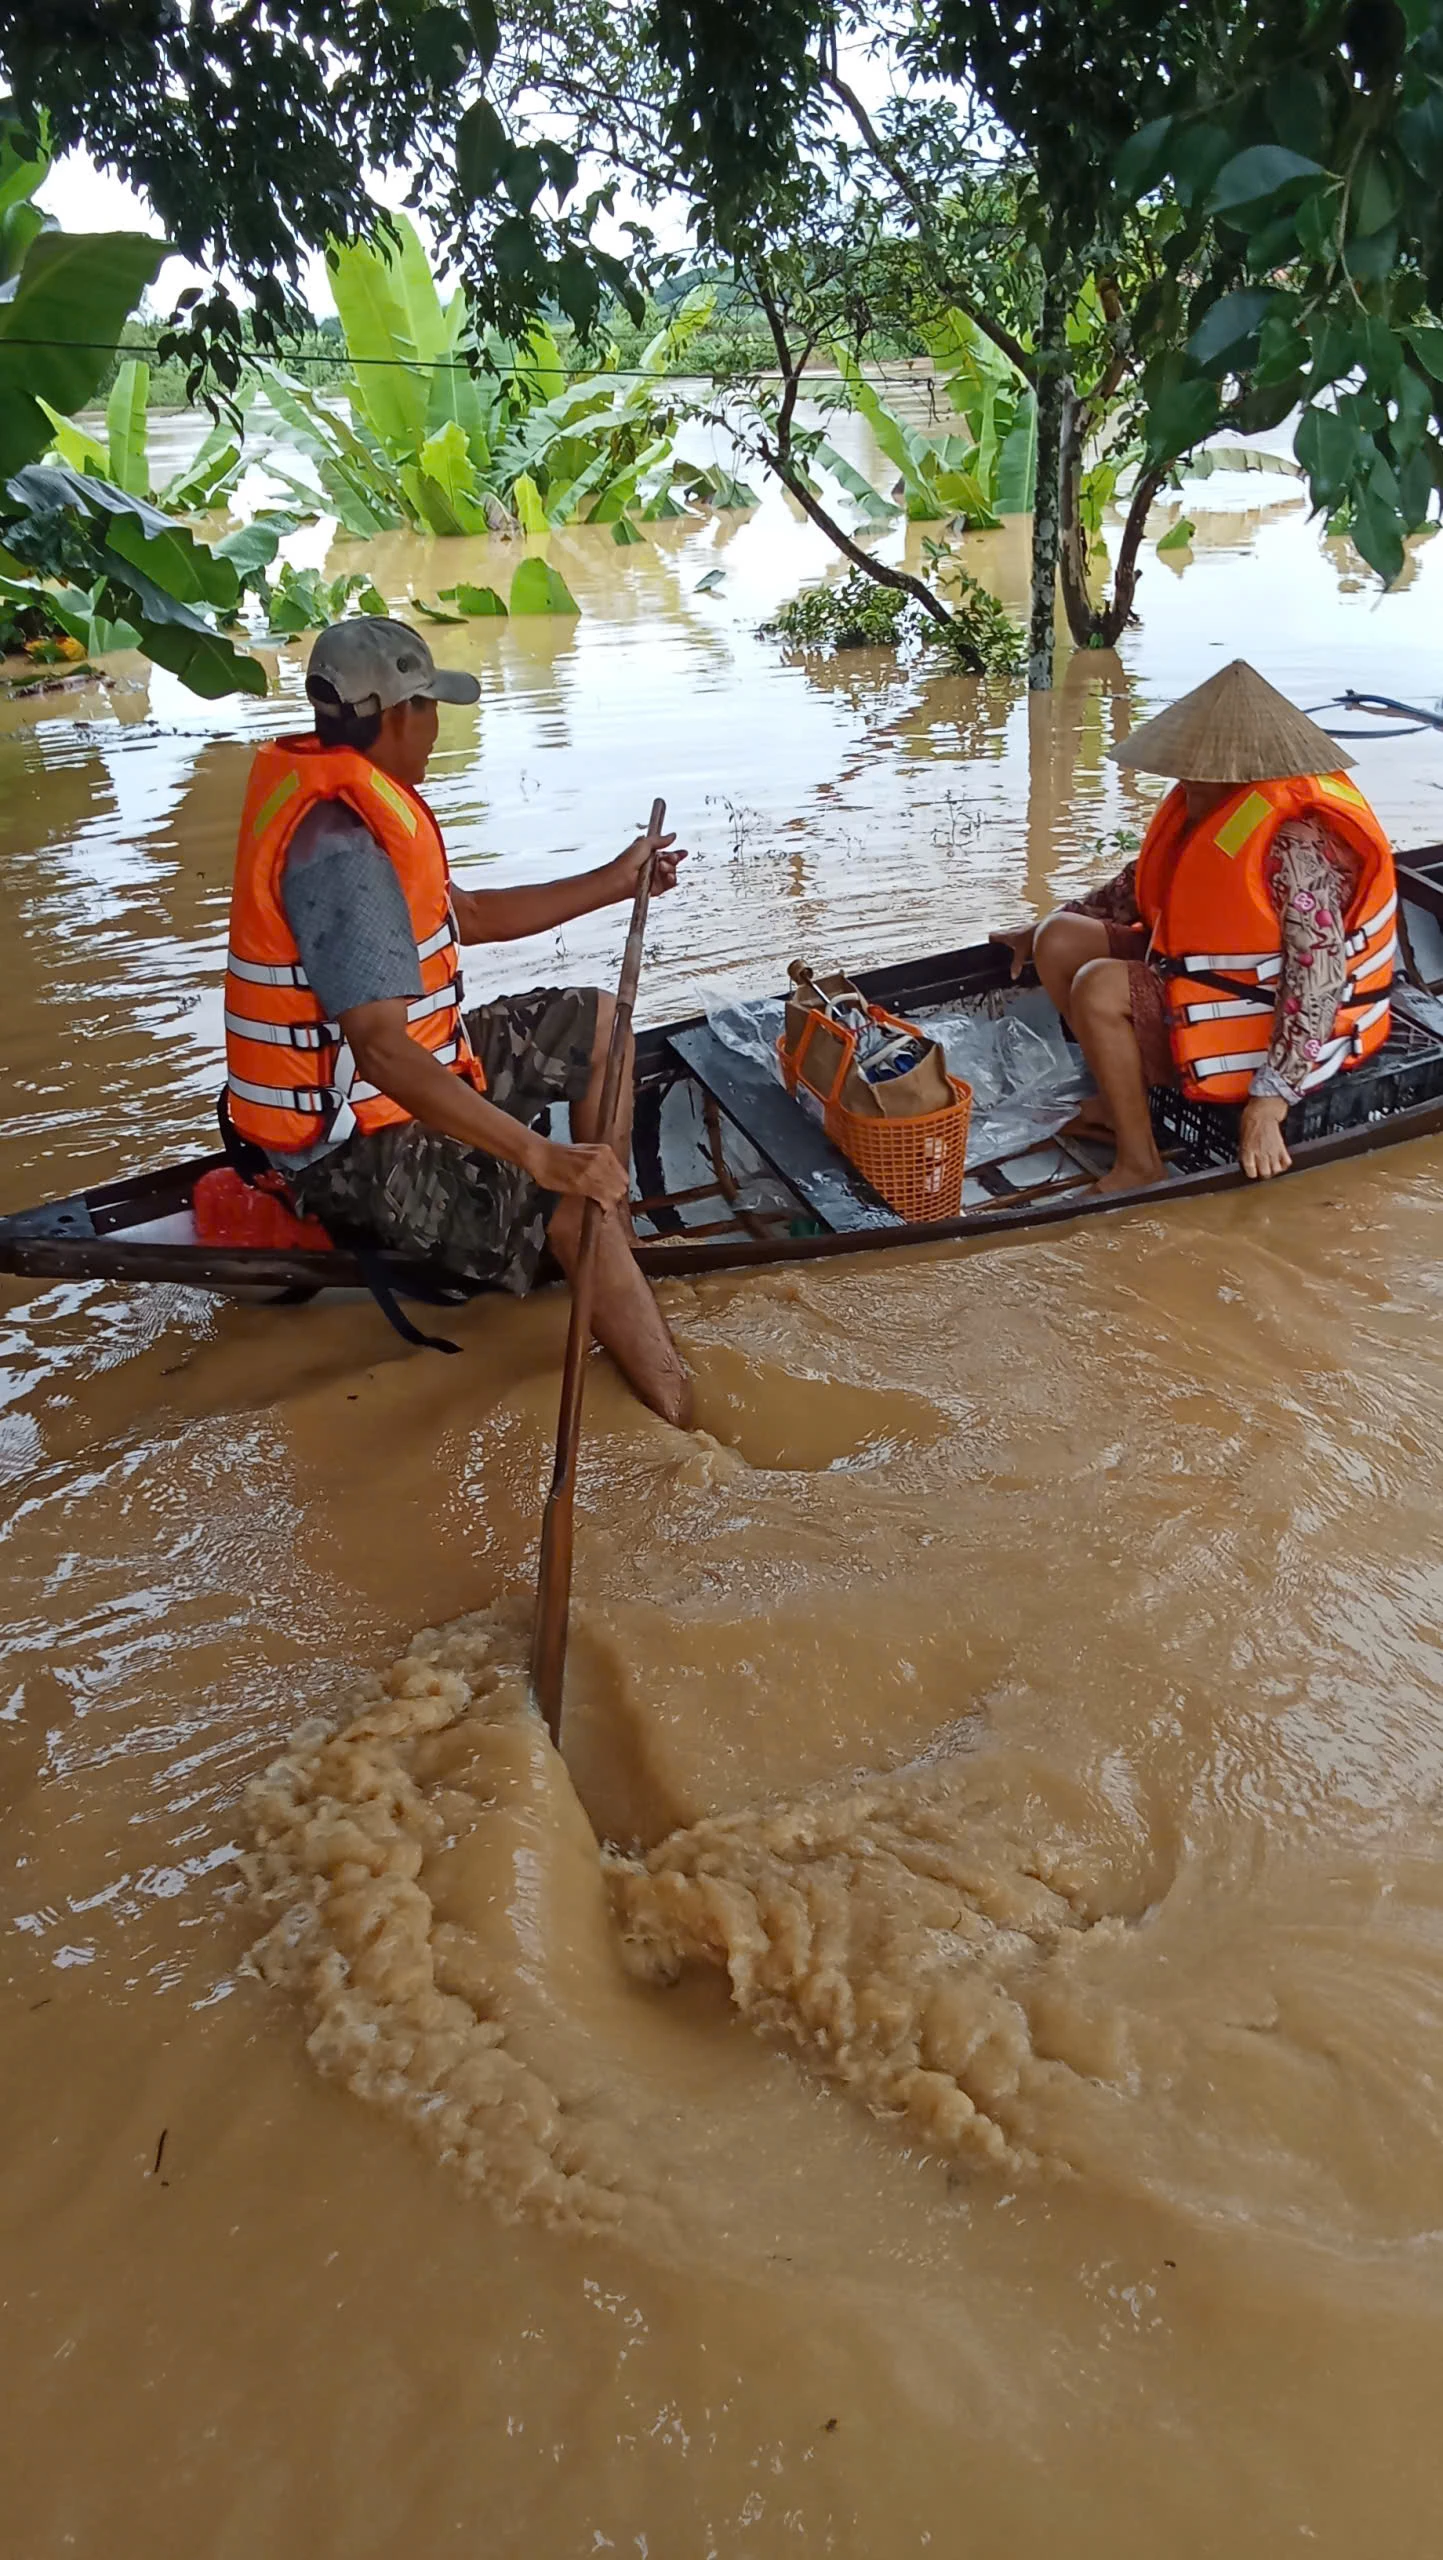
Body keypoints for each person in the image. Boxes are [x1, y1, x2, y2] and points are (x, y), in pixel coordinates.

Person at [223, 616, 692, 1424]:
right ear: (398, 715)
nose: (437, 726)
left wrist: (618, 881)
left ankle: (610, 1229)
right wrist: (542, 1157)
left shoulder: (363, 810)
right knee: (568, 1208)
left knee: (598, 1022)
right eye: (431, 707)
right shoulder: (342, 851)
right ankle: (683, 1417)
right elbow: (379, 1053)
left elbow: (465, 916)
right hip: (352, 1145)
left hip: (412, 1080)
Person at [992, 659, 1397, 1193]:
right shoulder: (1206, 811)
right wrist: (1049, 921)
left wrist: (1271, 1099)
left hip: (1270, 1015)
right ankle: (1118, 1104)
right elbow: (1136, 888)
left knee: (1098, 986)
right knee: (1059, 937)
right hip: (1211, 974)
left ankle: (1139, 1164)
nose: (1184, 778)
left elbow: (1318, 978)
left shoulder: (1295, 846)